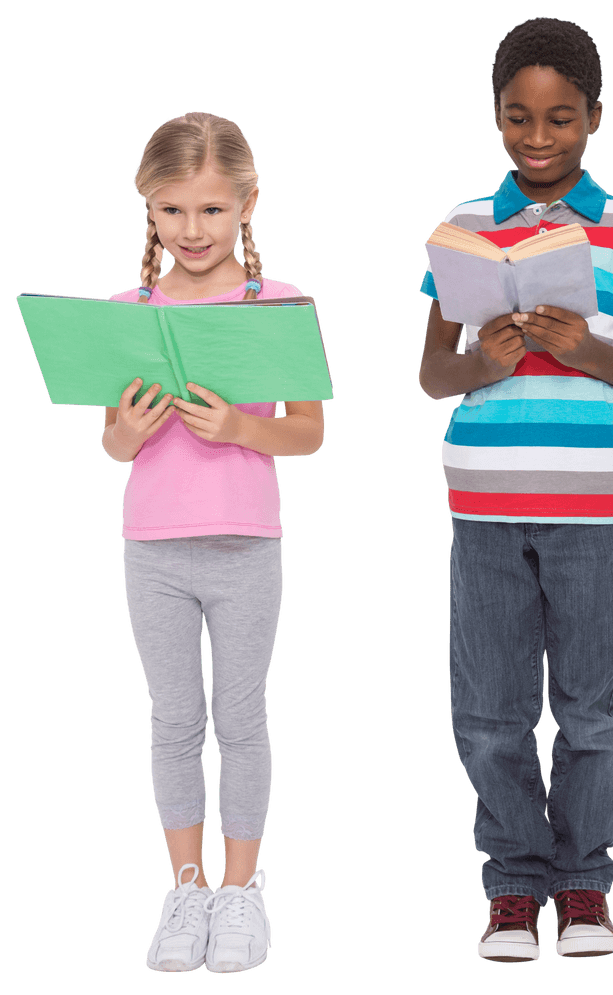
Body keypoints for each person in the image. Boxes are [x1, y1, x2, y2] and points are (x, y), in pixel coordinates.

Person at [417, 17, 613, 964]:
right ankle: (512, 887)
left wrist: (590, 352)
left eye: (560, 118)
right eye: (518, 117)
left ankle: (584, 883)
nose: (538, 137)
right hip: (484, 504)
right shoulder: (462, 227)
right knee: (489, 711)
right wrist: (483, 362)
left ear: (595, 117)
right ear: (494, 116)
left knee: (590, 709)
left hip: (594, 505)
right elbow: (433, 375)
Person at [100, 111, 325, 974]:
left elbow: (307, 433)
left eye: (212, 210)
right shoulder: (128, 312)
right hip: (151, 546)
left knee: (240, 716)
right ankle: (186, 888)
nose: (192, 230)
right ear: (149, 211)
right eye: (173, 210)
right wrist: (128, 430)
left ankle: (239, 891)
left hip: (245, 545)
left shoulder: (280, 304)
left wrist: (237, 426)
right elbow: (114, 443)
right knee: (172, 718)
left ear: (248, 205)